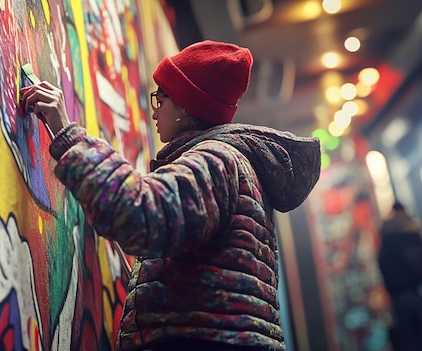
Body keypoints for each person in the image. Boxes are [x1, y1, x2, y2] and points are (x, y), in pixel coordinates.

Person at [20, 40, 321, 351]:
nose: (154, 111)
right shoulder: (230, 164)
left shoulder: (215, 161)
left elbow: (137, 215)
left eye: (160, 99)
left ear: (185, 105)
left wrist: (67, 134)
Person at [377, 202, 422, 351]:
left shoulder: (387, 237)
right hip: (416, 291)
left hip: (398, 296)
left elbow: (383, 265)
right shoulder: (413, 234)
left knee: (408, 339)